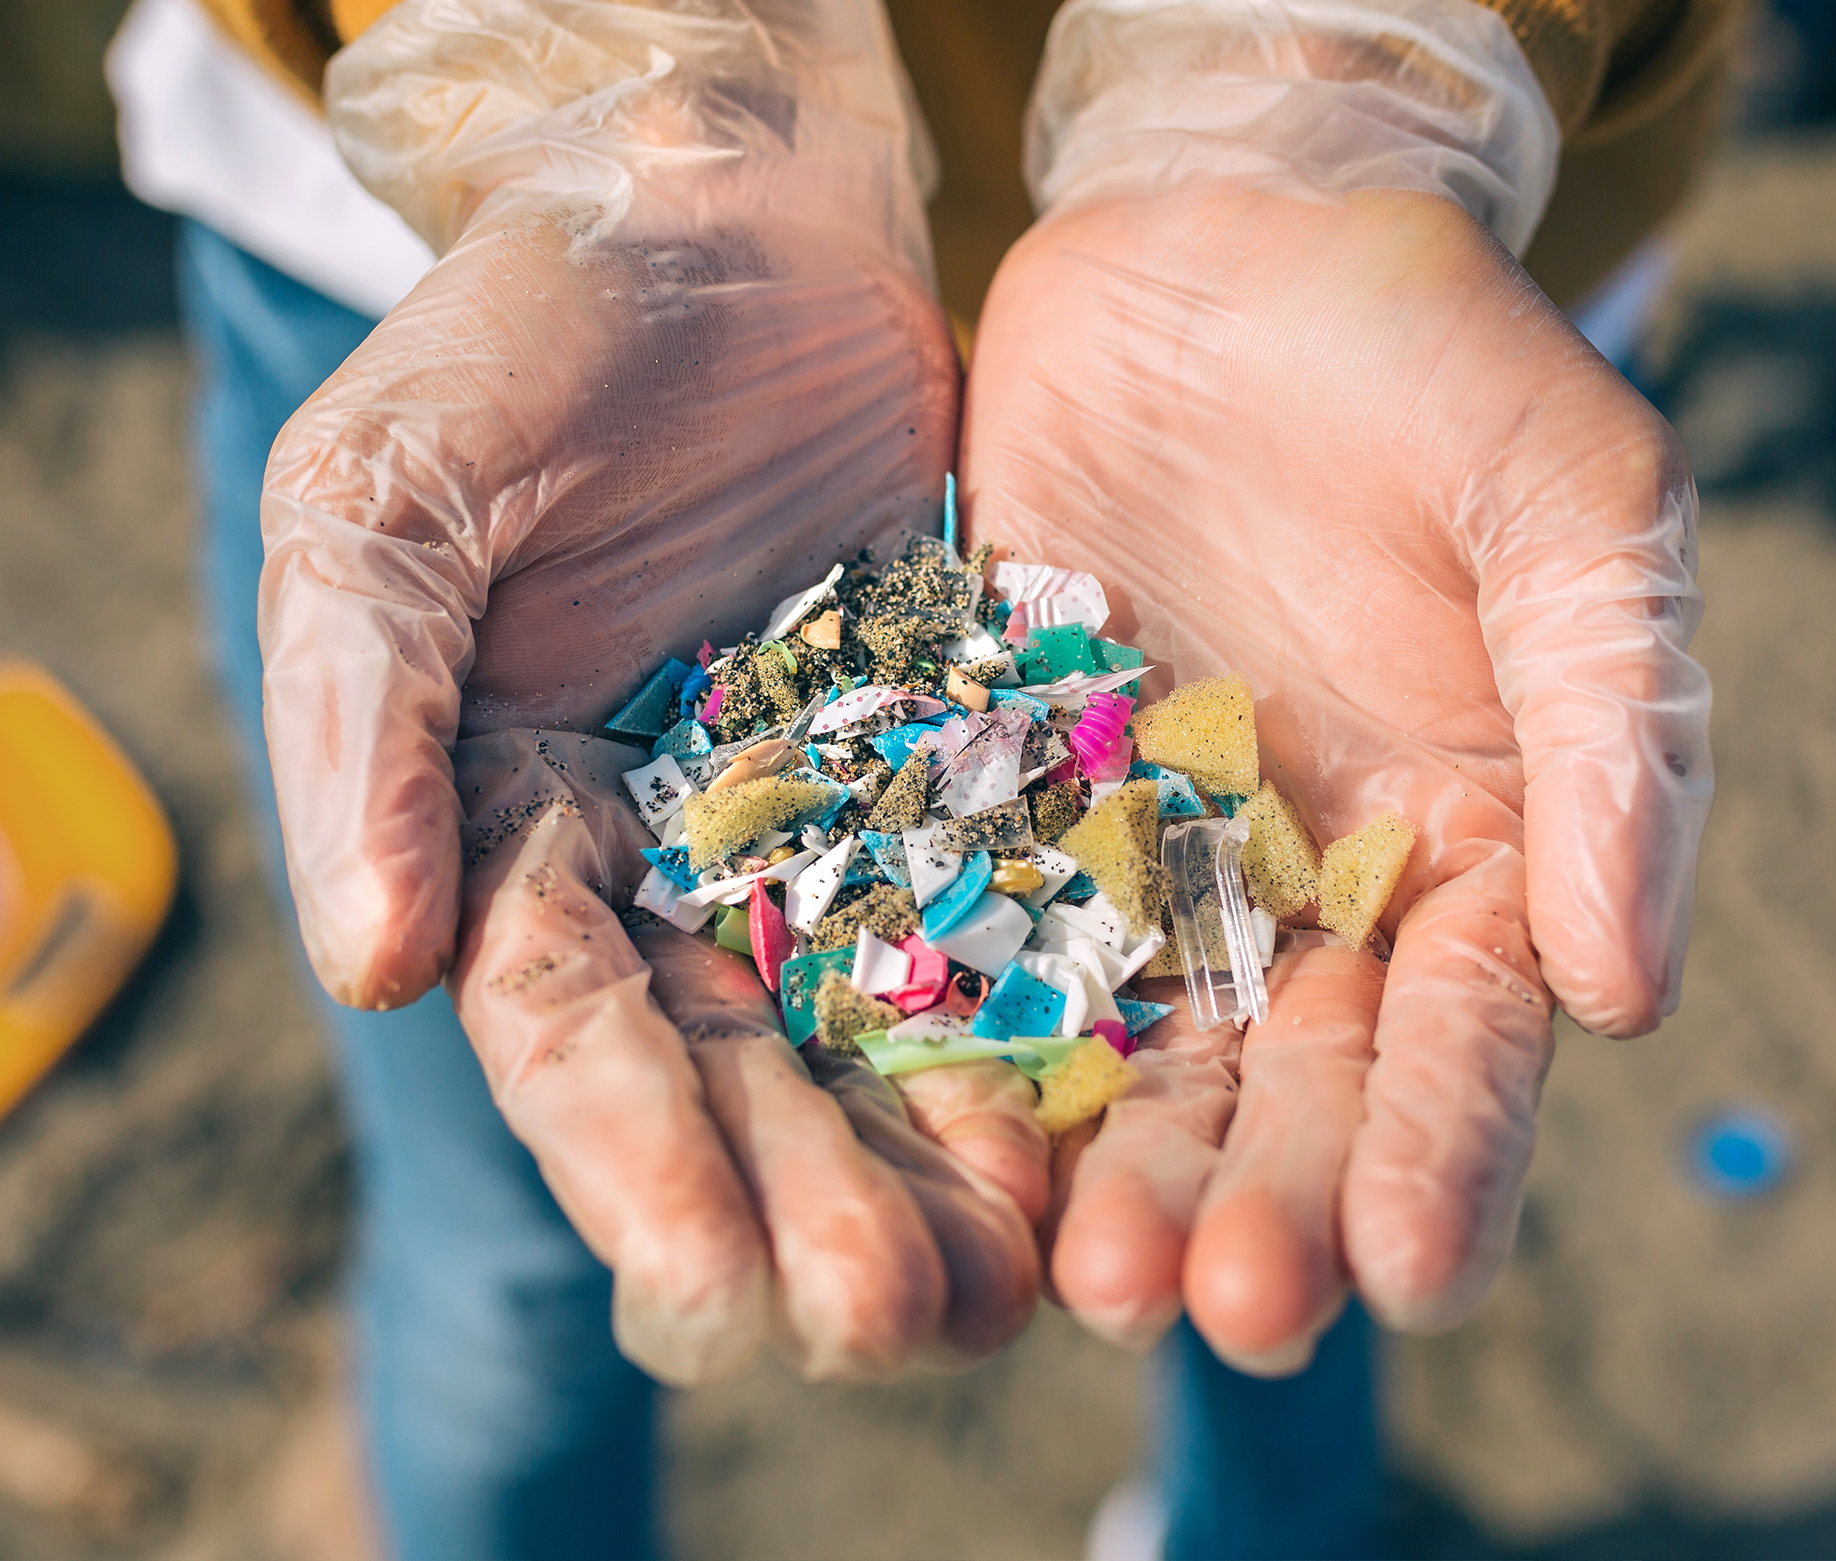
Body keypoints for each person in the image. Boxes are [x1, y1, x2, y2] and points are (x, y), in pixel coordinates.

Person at [108, 0, 1722, 1551]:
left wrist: (1349, 88)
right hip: (497, 248)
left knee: (1288, 1187)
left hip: (1381, 312)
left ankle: (1274, 1527)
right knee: (513, 1249)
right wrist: (620, 96)